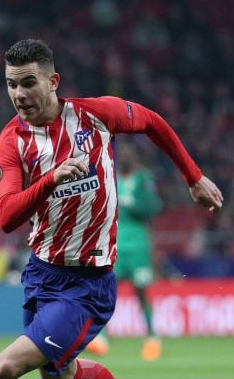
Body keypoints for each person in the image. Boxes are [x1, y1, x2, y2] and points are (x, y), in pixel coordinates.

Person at [0, 39, 223, 379]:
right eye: (11, 84)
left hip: (88, 284)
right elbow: (5, 217)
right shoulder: (11, 141)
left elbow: (151, 122)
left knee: (5, 367)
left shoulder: (95, 116)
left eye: (28, 83)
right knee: (59, 373)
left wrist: (194, 177)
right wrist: (51, 180)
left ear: (53, 82)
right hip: (41, 274)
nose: (19, 94)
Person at [84, 141, 163, 361]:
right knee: (106, 291)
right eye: (122, 154)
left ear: (135, 157)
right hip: (115, 245)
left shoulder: (144, 178)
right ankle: (101, 338)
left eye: (128, 153)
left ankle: (152, 338)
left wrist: (132, 203)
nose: (124, 157)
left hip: (138, 245)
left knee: (141, 291)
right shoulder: (112, 177)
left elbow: (154, 206)